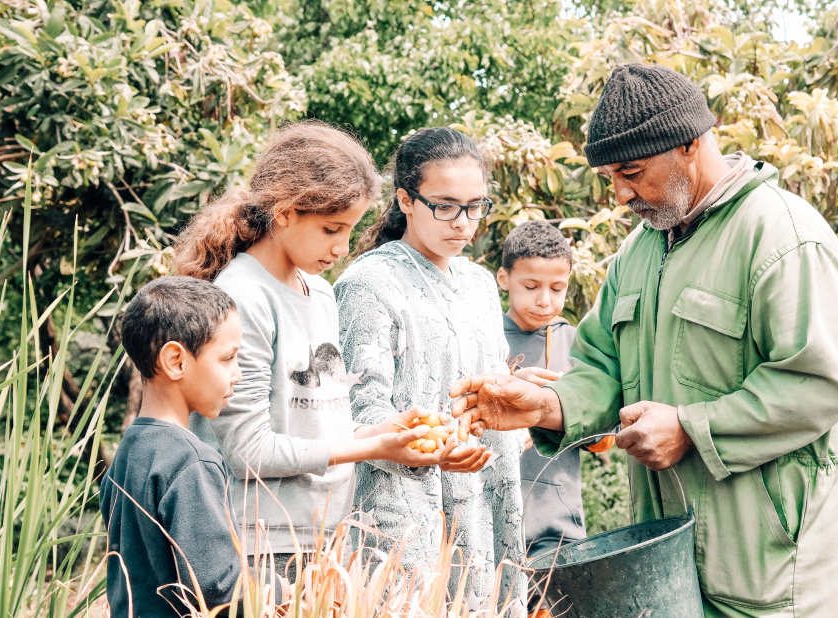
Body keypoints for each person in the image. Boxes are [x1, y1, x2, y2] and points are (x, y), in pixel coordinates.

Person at [450, 63, 838, 617]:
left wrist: (693, 428)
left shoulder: (784, 236)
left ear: (690, 145)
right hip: (668, 560)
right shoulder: (640, 253)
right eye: (611, 177)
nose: (620, 194)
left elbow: (820, 382)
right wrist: (548, 406)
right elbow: (601, 365)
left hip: (772, 572)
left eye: (632, 172)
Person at [172, 121, 449, 579]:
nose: (342, 247)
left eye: (350, 230)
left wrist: (381, 436)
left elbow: (319, 425)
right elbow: (248, 452)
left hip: (323, 538)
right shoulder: (244, 296)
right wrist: (372, 446)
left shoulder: (319, 292)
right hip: (260, 547)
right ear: (284, 211)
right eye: (330, 229)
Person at [334, 127, 527, 614]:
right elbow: (360, 410)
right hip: (404, 510)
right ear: (405, 199)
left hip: (487, 500)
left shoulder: (481, 284)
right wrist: (433, 446)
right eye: (445, 206)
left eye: (475, 206)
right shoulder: (368, 283)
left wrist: (521, 394)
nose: (463, 223)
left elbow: (490, 379)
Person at [101, 276, 284, 617]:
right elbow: (218, 589)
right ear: (176, 361)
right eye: (228, 358)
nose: (238, 374)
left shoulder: (128, 453)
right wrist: (288, 587)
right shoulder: (191, 461)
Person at [498, 221, 614, 618]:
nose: (544, 300)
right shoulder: (483, 337)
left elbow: (604, 439)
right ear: (504, 279)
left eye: (557, 288)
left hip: (556, 524)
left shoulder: (579, 344)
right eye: (531, 287)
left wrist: (567, 405)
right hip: (489, 519)